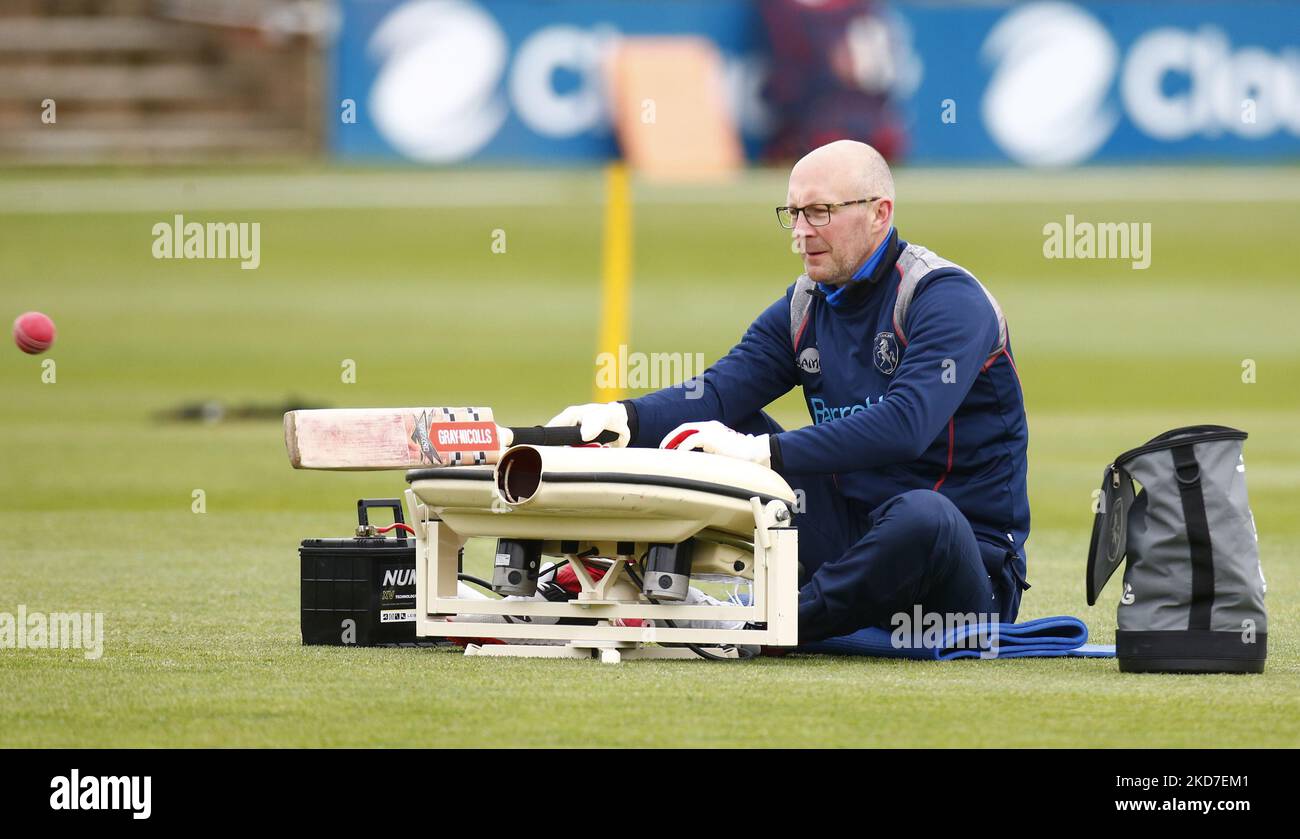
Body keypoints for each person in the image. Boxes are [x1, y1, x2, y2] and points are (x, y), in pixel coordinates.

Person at [548, 140, 1030, 645]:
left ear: (879, 213)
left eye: (820, 212)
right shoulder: (804, 305)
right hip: (849, 542)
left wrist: (763, 453)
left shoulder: (947, 299)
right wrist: (622, 417)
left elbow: (906, 425)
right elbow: (715, 394)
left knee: (922, 516)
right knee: (710, 430)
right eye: (794, 213)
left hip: (963, 573)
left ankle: (762, 625)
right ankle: (621, 580)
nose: (801, 233)